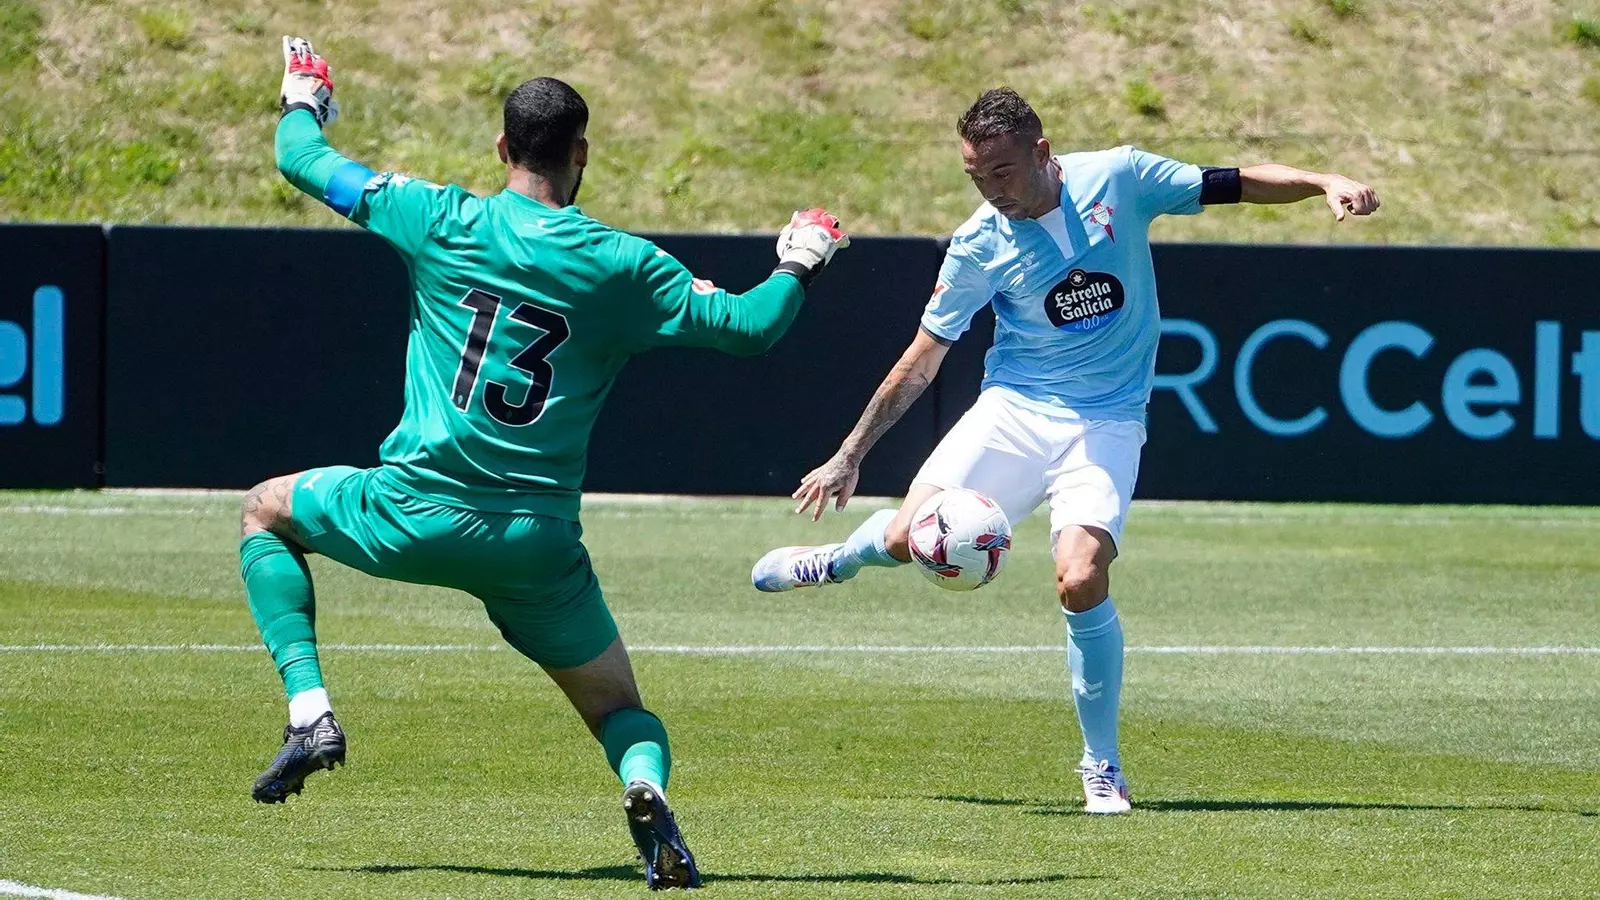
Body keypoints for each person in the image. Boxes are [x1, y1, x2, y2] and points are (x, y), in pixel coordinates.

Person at [244, 37, 847, 889]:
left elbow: (301, 159)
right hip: (534, 544)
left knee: (265, 510)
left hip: (409, 511)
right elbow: (752, 327)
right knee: (620, 709)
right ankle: (644, 787)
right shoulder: (623, 265)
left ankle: (311, 712)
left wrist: (306, 94)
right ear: (581, 154)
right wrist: (803, 256)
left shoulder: (436, 215)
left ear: (502, 148)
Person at [752, 87, 1378, 814]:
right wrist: (849, 453)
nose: (992, 190)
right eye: (976, 176)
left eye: (1003, 171)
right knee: (902, 539)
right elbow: (923, 359)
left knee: (1080, 577)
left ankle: (1102, 766)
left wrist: (1322, 182)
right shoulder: (978, 243)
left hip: (1107, 420)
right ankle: (836, 561)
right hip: (1015, 410)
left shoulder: (1120, 177)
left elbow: (1231, 183)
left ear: (1042, 152)